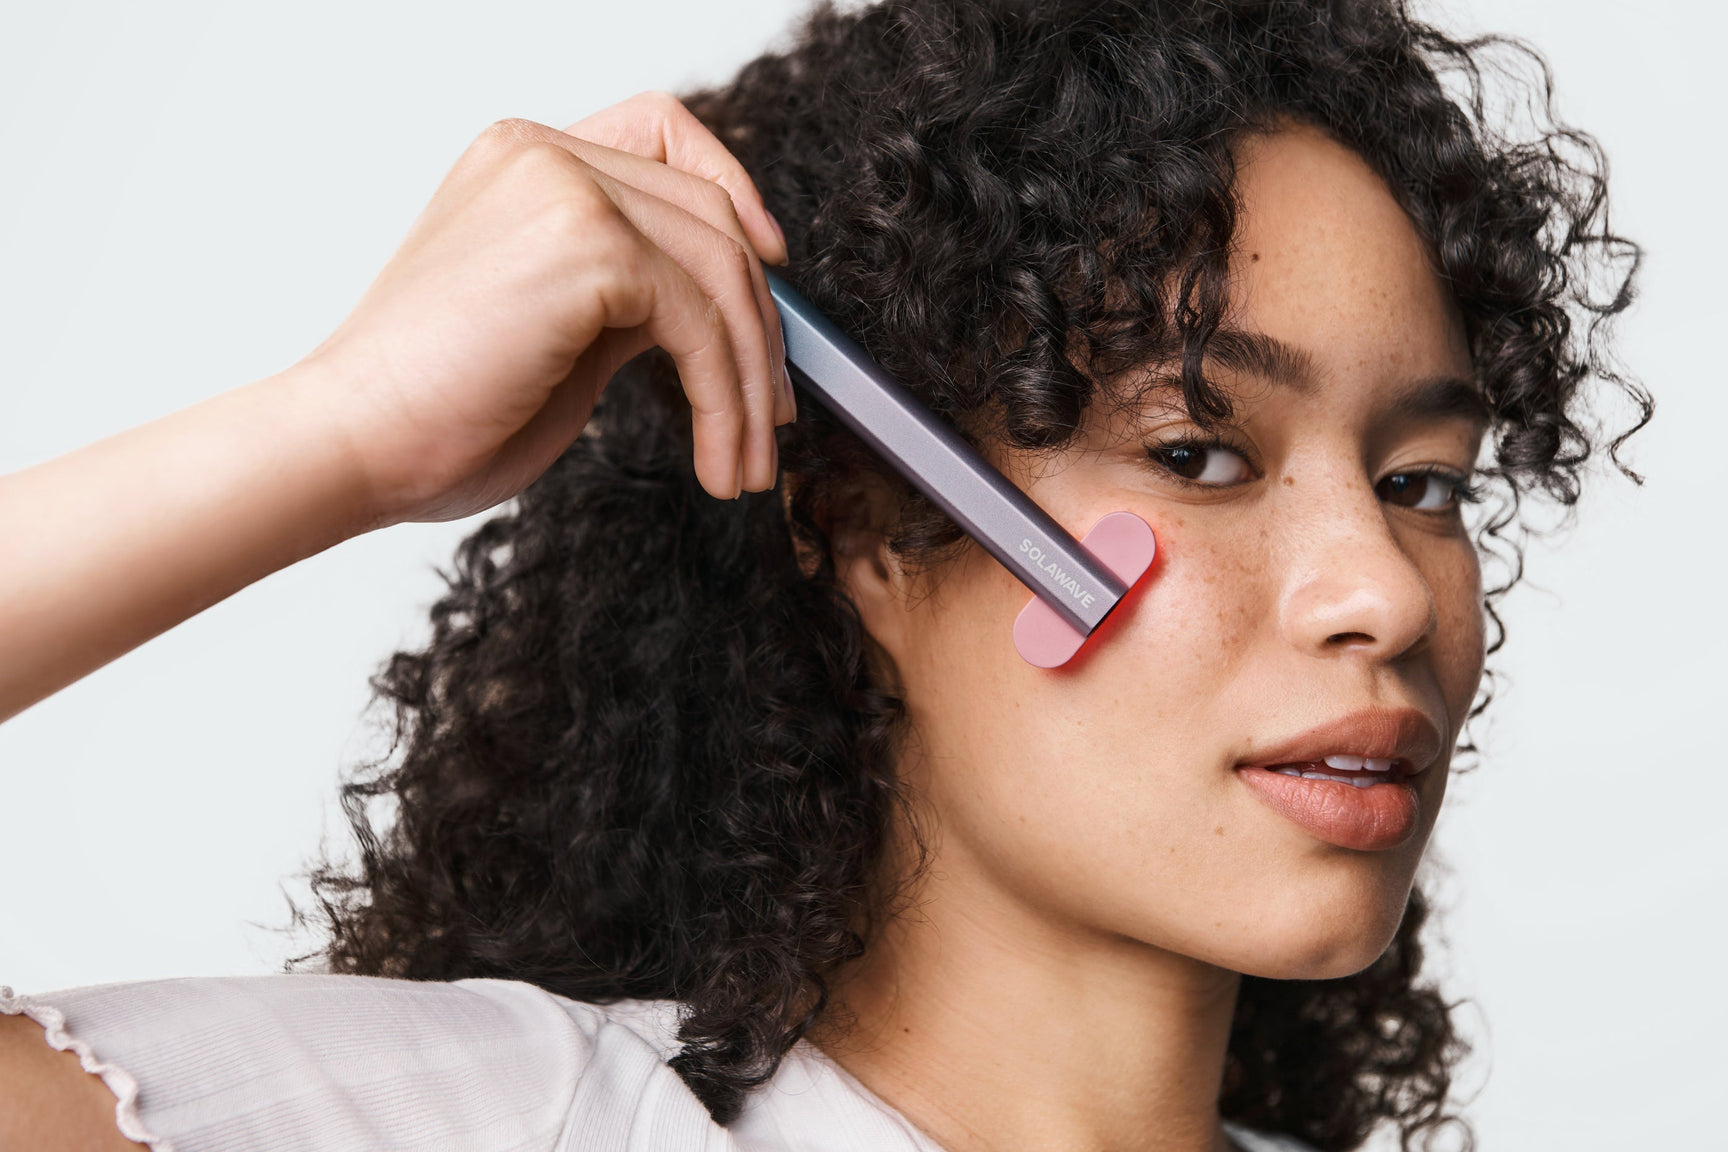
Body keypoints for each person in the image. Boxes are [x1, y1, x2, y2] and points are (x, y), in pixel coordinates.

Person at [0, 0, 1645, 1149]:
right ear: (869, 528)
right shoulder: (502, 1123)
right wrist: (343, 431)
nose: (1387, 594)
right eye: (1199, 454)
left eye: (1424, 484)